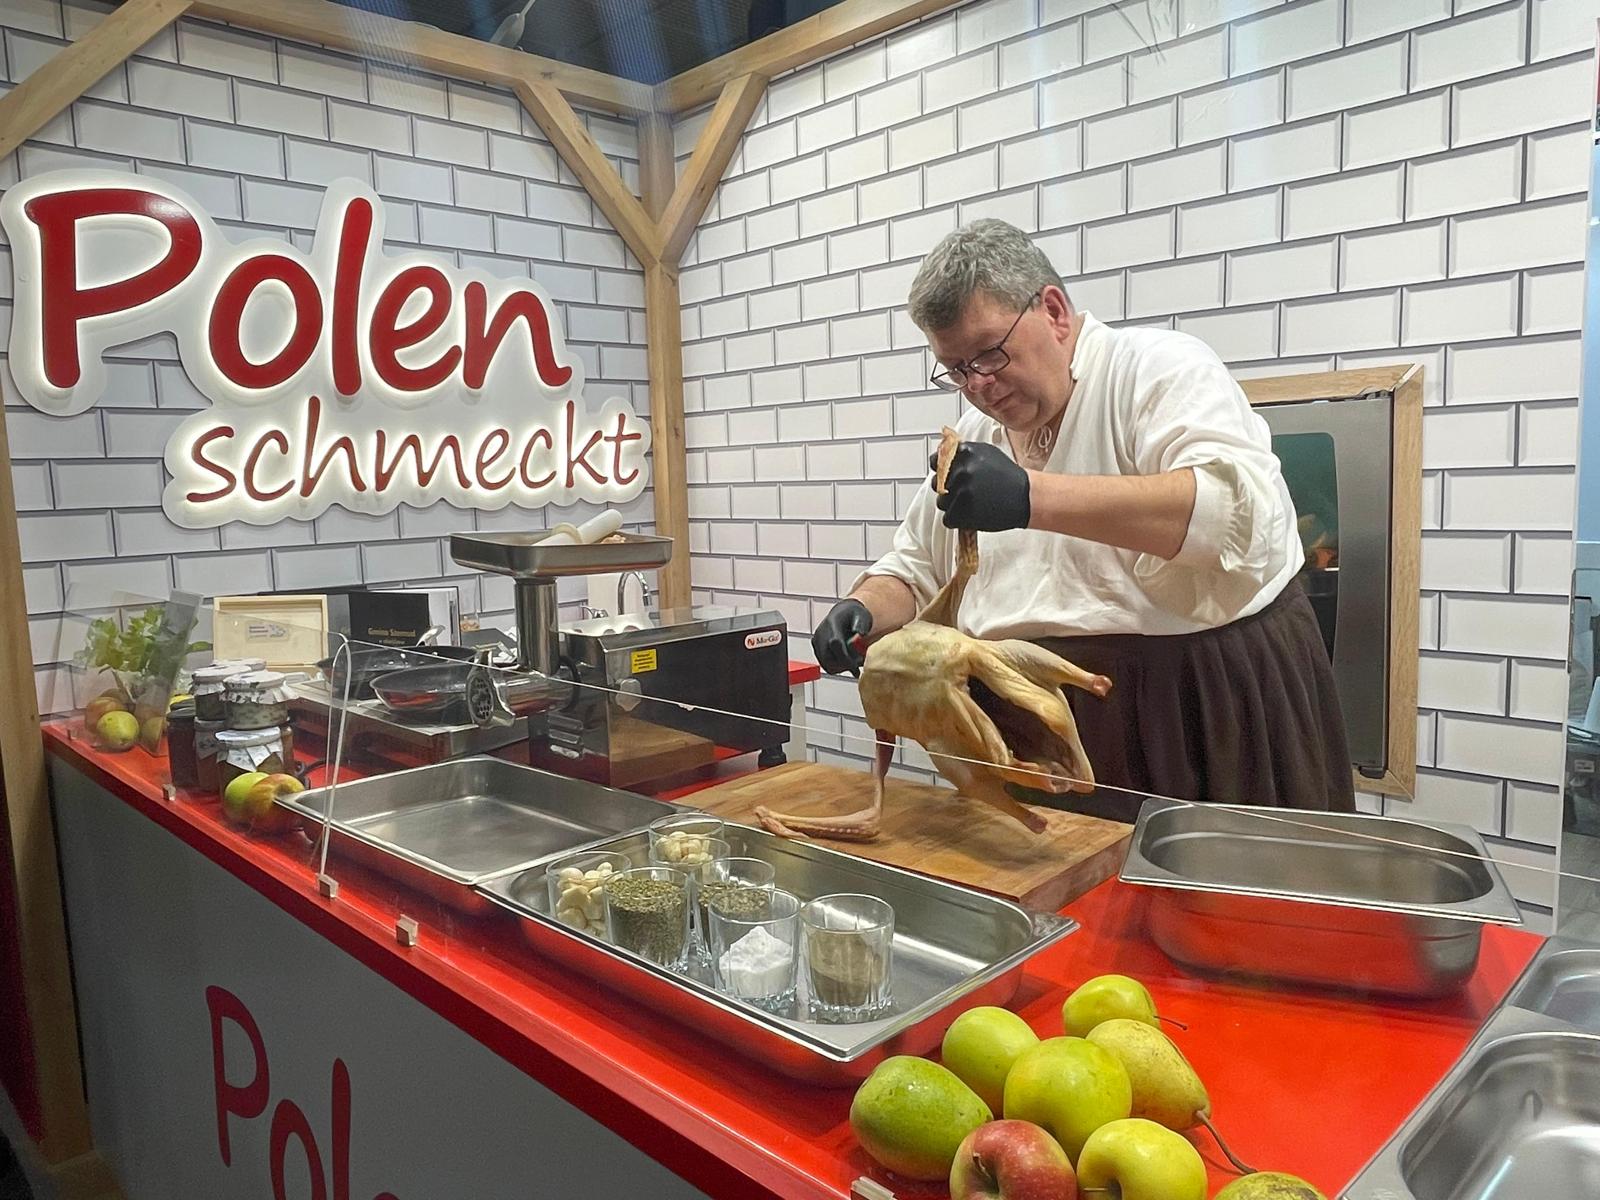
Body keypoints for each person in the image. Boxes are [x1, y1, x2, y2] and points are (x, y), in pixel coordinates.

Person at [812, 219, 1353, 822]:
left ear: (1053, 311)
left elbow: (1231, 517)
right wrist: (864, 607)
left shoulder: (1158, 370)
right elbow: (916, 566)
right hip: (1039, 726)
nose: (979, 385)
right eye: (957, 369)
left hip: (1198, 705)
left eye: (989, 353)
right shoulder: (975, 435)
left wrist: (1028, 497)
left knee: (1215, 883)